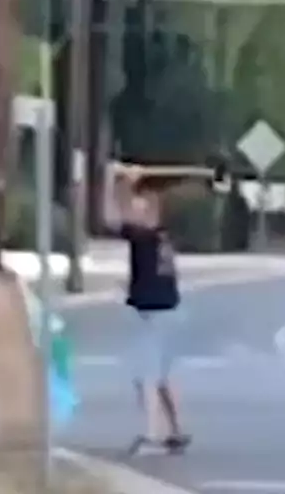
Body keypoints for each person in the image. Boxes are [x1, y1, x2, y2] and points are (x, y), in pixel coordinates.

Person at [107, 165, 191, 453]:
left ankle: (152, 435)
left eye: (142, 207)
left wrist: (122, 183)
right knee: (161, 376)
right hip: (169, 311)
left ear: (150, 213)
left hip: (156, 314)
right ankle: (176, 431)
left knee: (146, 375)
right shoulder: (160, 236)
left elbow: (112, 216)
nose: (136, 210)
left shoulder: (143, 236)